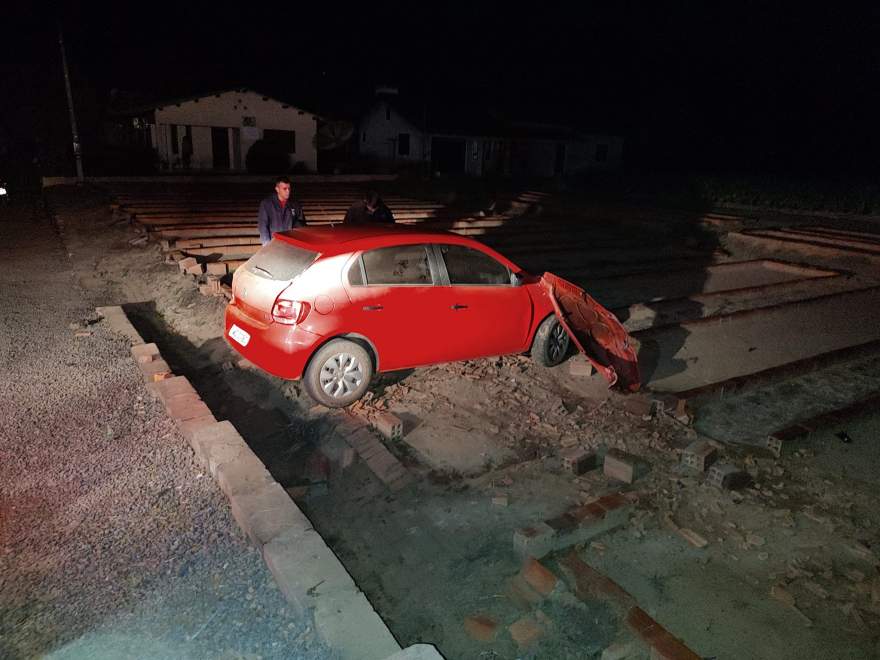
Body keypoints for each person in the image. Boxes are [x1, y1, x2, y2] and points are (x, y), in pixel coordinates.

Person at [258, 176, 306, 245]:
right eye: (284, 189)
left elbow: (302, 224)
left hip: (291, 244)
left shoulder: (295, 204)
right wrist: (267, 245)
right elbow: (263, 226)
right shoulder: (266, 204)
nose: (288, 191)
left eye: (289, 188)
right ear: (277, 189)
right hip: (274, 243)